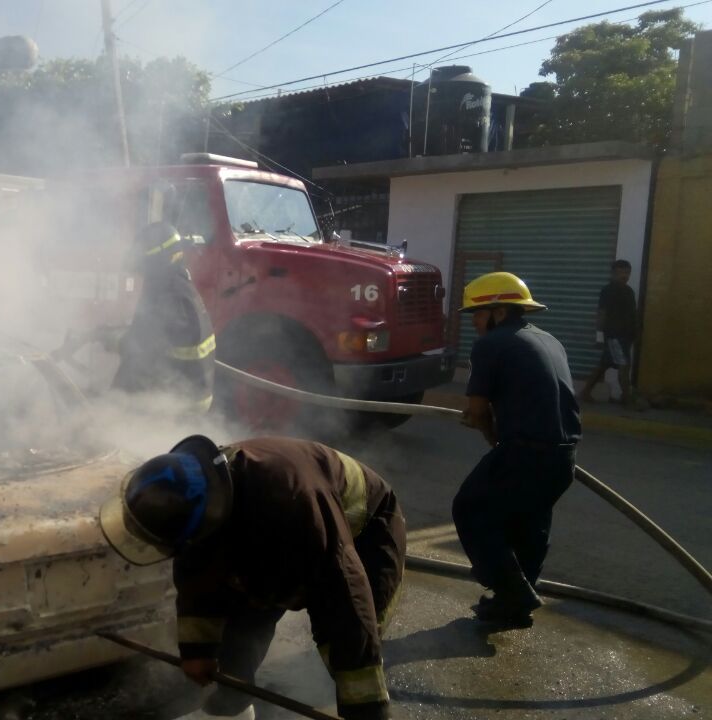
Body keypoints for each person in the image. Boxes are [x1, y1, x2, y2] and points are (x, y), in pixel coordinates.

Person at [99, 434, 405, 720]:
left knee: (354, 640)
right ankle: (232, 705)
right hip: (281, 521)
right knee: (244, 623)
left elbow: (344, 599)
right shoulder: (203, 498)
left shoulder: (295, 510)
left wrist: (364, 708)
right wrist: (198, 651)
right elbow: (196, 574)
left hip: (366, 528)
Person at [454, 271, 580, 627]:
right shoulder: (549, 340)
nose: (474, 323)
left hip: (525, 453)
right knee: (530, 525)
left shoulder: (490, 345)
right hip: (563, 457)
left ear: (499, 311)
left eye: (477, 315)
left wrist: (489, 431)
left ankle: (512, 592)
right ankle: (514, 605)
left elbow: (477, 411)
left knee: (469, 509)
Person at [56, 222, 216, 414]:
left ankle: (108, 430)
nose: (143, 274)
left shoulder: (168, 297)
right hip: (188, 392)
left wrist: (104, 338)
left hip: (179, 404)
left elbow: (138, 348)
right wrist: (103, 333)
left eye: (145, 267)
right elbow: (148, 332)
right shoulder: (178, 286)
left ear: (158, 262)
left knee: (126, 378)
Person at [579, 260, 639, 408]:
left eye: (627, 272)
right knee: (624, 366)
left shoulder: (629, 291)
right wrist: (599, 336)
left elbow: (632, 314)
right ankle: (627, 399)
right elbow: (601, 313)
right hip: (615, 335)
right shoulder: (608, 291)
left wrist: (635, 334)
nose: (624, 276)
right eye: (621, 273)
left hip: (625, 336)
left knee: (604, 365)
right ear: (613, 273)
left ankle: (586, 392)